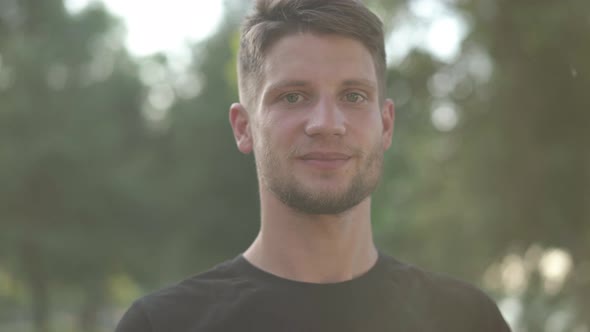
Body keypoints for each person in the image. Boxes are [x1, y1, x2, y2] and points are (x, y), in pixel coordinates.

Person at [115, 0, 511, 331]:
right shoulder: (164, 325)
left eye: (353, 96)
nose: (327, 123)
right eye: (293, 97)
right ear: (244, 127)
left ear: (386, 125)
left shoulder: (467, 320)